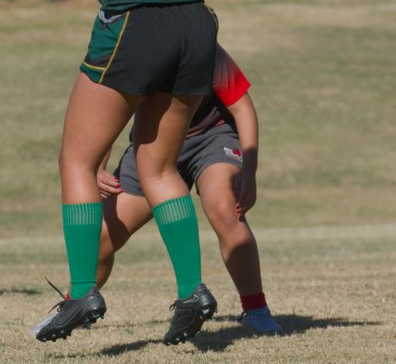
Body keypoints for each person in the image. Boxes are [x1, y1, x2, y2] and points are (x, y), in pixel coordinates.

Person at [33, 0, 267, 345]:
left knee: (77, 159)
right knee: (159, 169)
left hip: (139, 22)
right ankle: (191, 289)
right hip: (195, 29)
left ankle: (82, 288)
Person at [96, 44, 282, 335]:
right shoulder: (129, 47)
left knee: (225, 208)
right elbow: (108, 115)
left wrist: (250, 169)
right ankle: (78, 302)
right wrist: (97, 165)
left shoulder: (203, 45)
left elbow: (242, 107)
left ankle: (256, 308)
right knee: (104, 235)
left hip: (212, 137)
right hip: (150, 146)